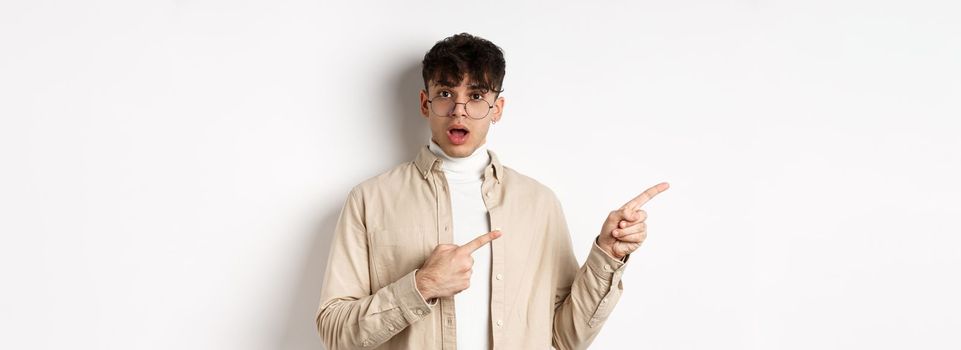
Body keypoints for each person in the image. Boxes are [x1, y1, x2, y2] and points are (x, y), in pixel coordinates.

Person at [315, 32, 669, 350]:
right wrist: (422, 286)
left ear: (496, 108)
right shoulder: (370, 200)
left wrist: (607, 254)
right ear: (425, 103)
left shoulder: (538, 203)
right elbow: (334, 332)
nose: (459, 110)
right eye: (445, 94)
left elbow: (566, 337)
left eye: (476, 96)